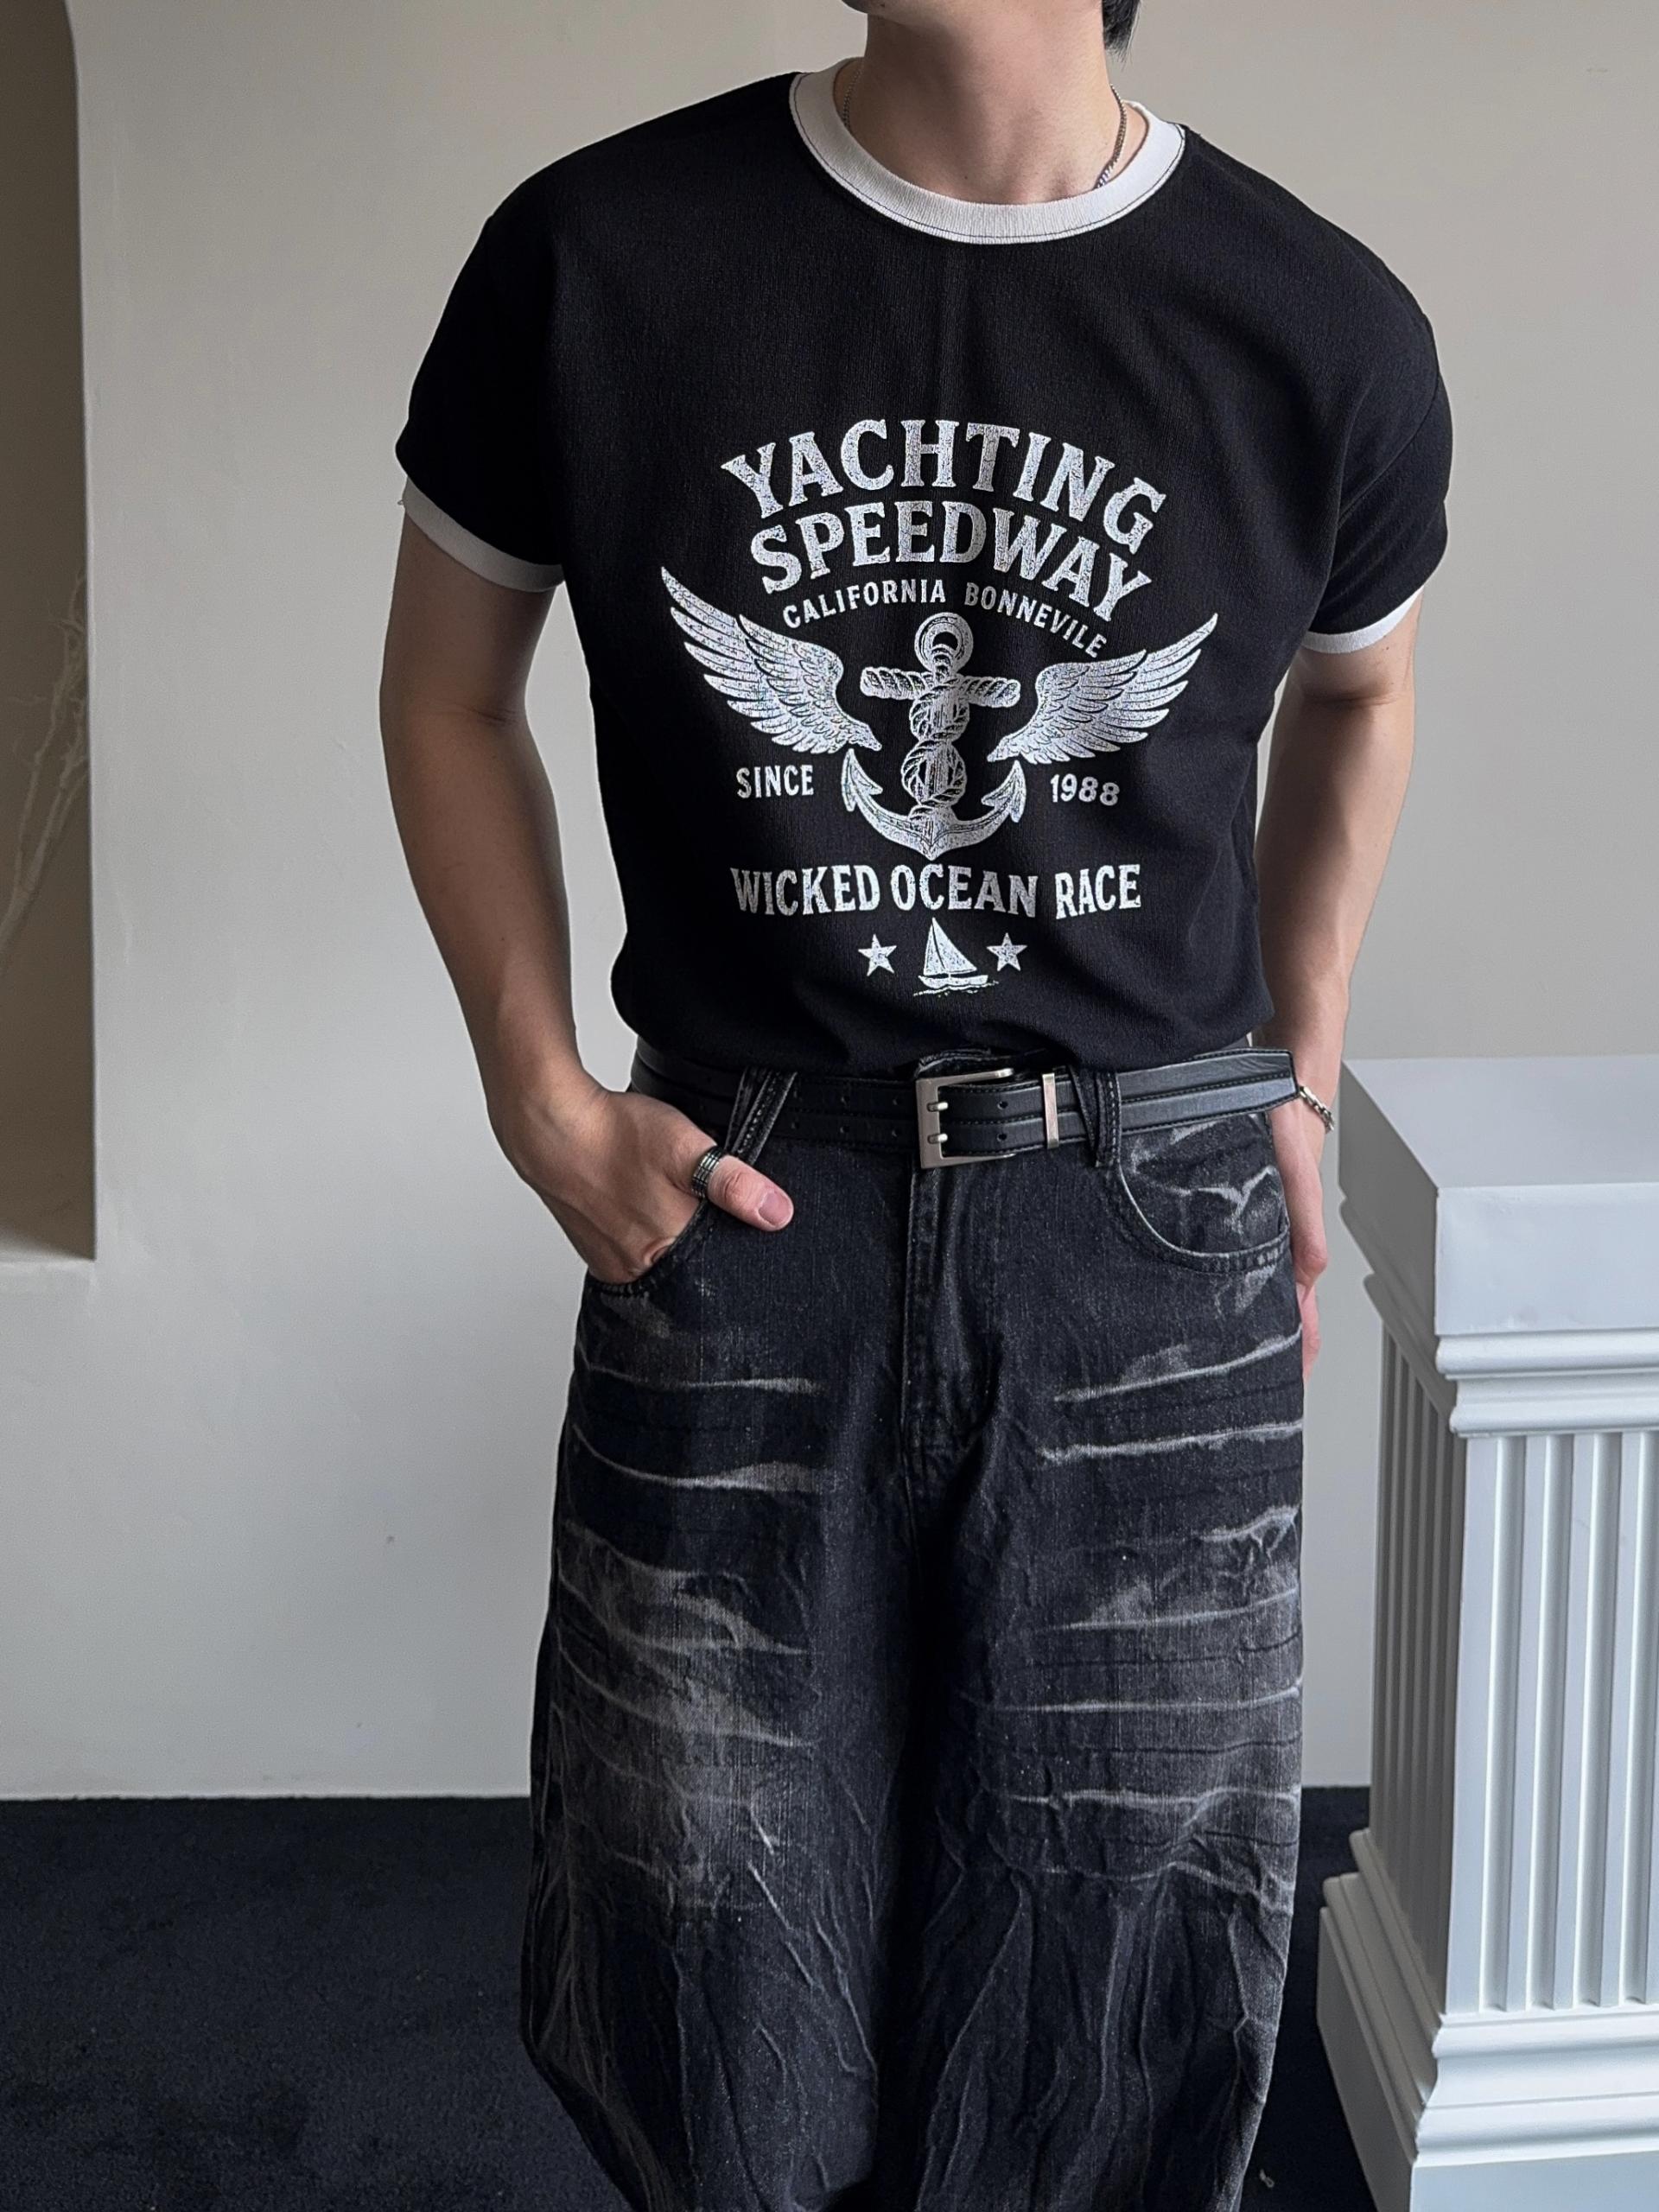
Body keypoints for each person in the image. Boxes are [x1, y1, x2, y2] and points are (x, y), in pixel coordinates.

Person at [378, 1, 1451, 2204]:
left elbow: (1363, 694)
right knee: (699, 1922)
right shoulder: (598, 260)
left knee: (1122, 1948)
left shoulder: (1317, 321)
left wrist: (1300, 1069)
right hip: (748, 1200)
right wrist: (536, 1095)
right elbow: (446, 688)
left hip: (1148, 1216)